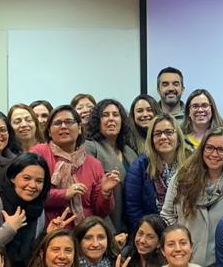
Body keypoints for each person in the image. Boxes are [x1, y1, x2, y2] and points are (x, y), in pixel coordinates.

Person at [162, 129, 223, 267]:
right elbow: (167, 213)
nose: (214, 154)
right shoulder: (182, 177)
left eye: (221, 150)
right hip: (185, 263)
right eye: (209, 148)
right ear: (202, 149)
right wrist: (178, 242)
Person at [30, 105, 116, 225]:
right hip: (49, 232)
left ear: (80, 128)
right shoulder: (38, 154)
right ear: (49, 131)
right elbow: (31, 193)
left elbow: (101, 211)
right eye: (58, 123)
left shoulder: (93, 164)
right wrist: (64, 194)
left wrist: (105, 193)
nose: (63, 126)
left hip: (84, 234)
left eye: (69, 122)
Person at [83, 98, 139, 236]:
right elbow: (88, 197)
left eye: (115, 115)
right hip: (103, 227)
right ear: (97, 121)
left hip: (130, 227)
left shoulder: (129, 152)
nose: (111, 119)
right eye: (105, 115)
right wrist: (110, 233)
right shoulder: (90, 147)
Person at [124, 114, 184, 232]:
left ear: (178, 137)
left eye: (168, 132)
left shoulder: (190, 164)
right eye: (157, 134)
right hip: (151, 233)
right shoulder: (140, 166)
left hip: (184, 231)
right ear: (151, 140)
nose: (163, 137)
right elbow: (133, 209)